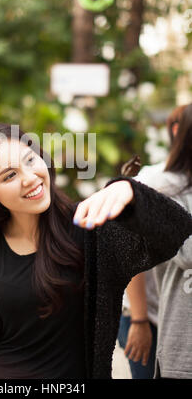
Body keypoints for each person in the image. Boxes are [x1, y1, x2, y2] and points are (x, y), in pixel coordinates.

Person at [0, 123, 192, 379]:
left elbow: (177, 231)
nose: (30, 178)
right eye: (9, 175)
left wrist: (131, 192)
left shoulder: (91, 228)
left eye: (30, 160)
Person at [117, 104, 188, 379]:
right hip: (146, 315)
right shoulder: (154, 181)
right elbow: (131, 251)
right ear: (177, 131)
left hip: (177, 319)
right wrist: (139, 319)